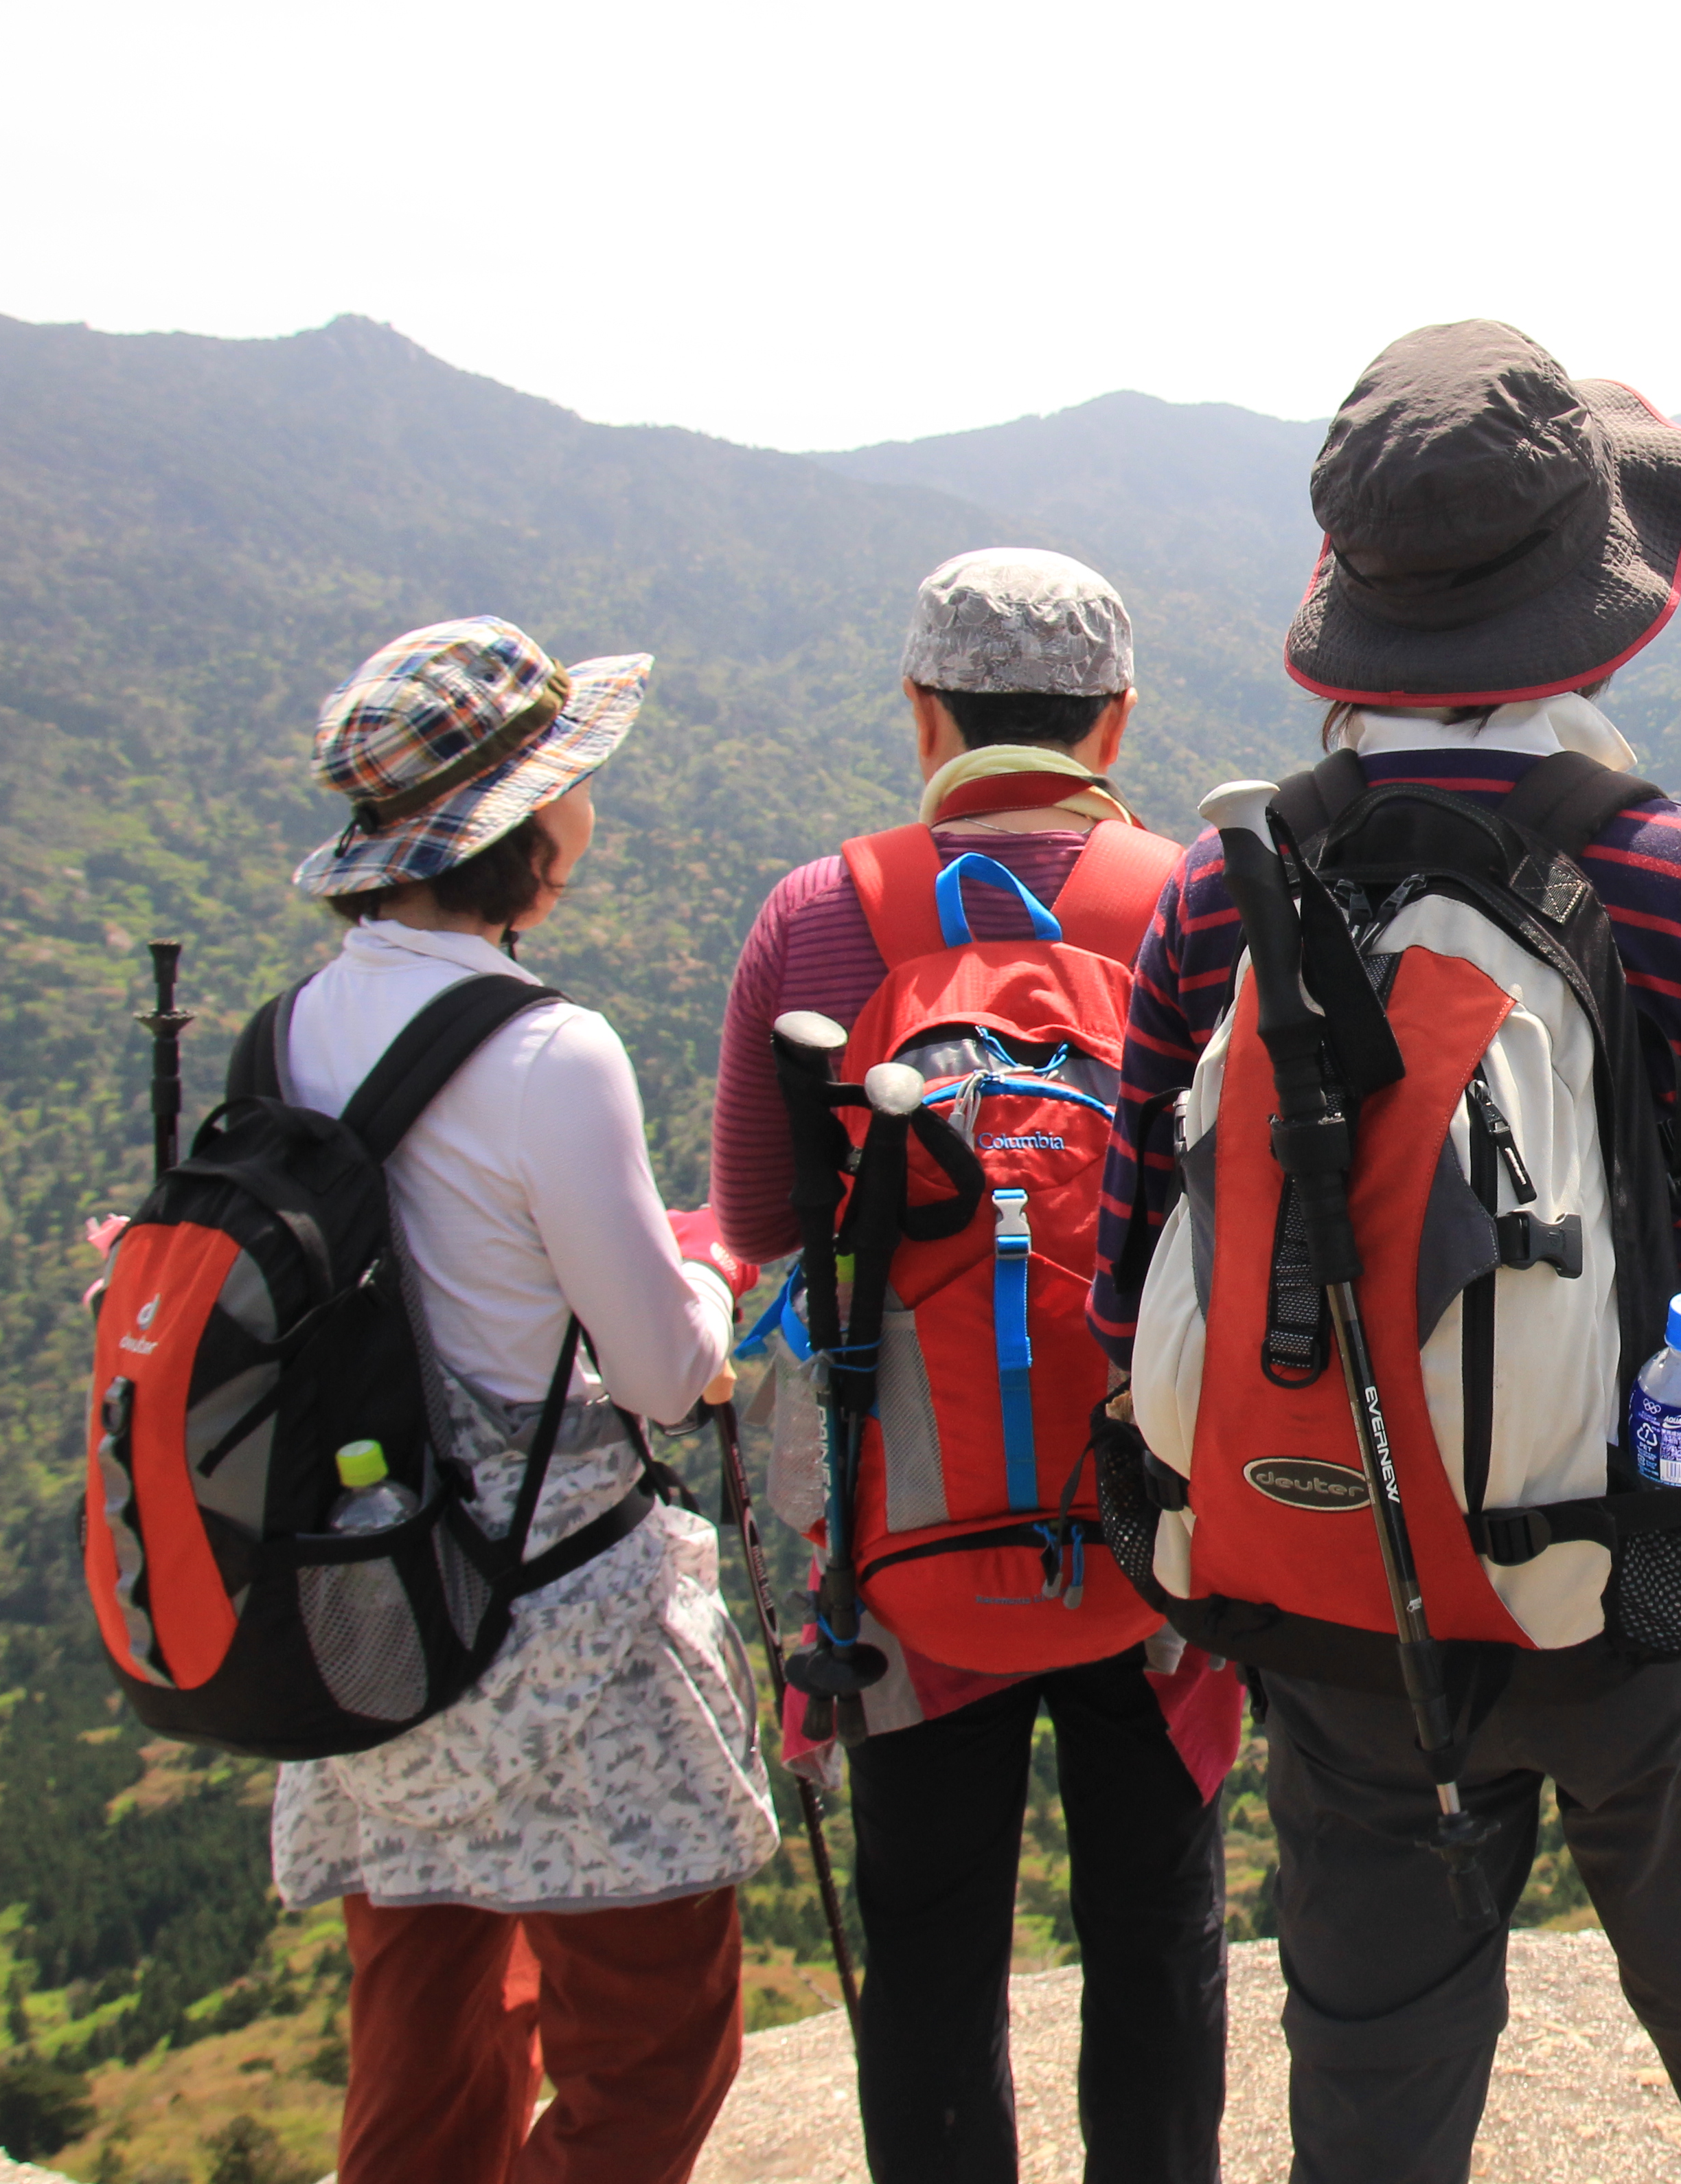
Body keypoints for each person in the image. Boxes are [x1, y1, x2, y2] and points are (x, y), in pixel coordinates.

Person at [1092, 321, 1681, 2183]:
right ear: (1590, 620)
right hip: (1643, 1593)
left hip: (1334, 1580)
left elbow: (1137, 1275)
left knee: (1374, 2084)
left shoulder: (1226, 890)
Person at [709, 547, 1241, 2184]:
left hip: (905, 1534)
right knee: (1155, 1921)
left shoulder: (820, 916)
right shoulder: (1202, 901)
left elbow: (759, 1215)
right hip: (1162, 1533)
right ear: (1120, 716)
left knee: (932, 1940)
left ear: (924, 711)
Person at [272, 616, 777, 2184]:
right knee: (653, 2042)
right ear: (523, 829)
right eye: (575, 786)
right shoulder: (553, 1051)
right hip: (552, 1611)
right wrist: (711, 1277)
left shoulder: (284, 1030)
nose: (591, 812)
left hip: (373, 1613)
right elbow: (657, 1375)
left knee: (422, 2040)